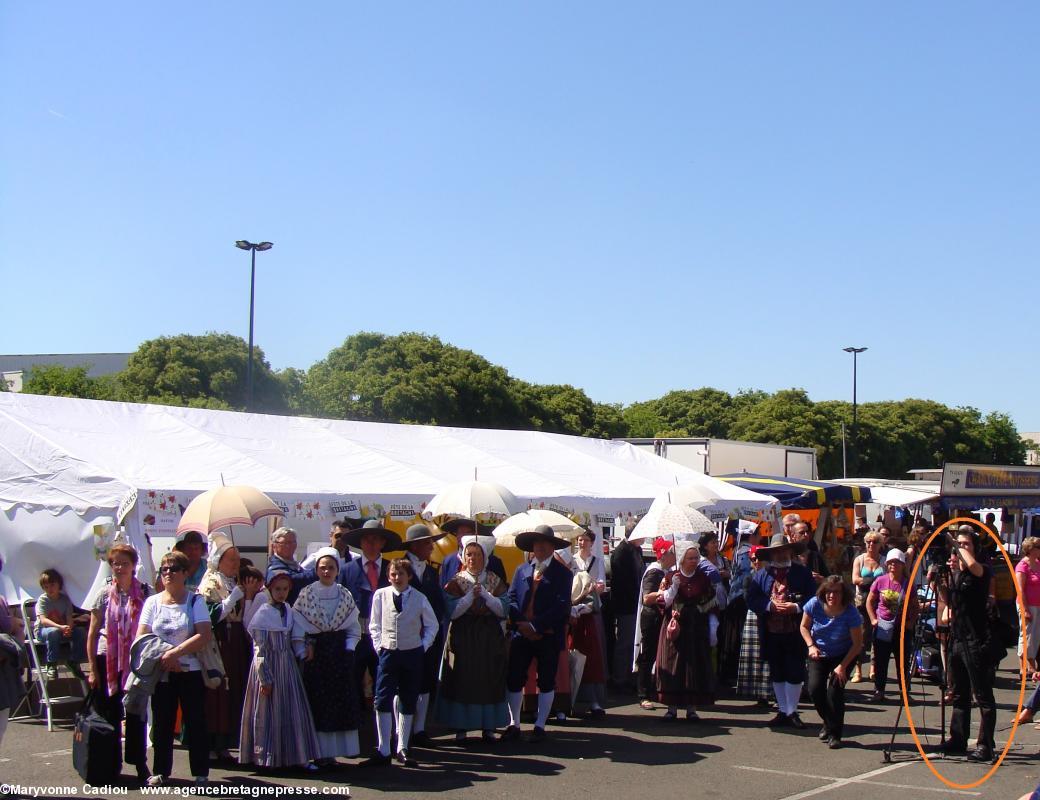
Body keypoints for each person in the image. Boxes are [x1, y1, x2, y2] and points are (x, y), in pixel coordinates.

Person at [137, 551, 213, 788]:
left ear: (184, 573)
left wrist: (176, 654)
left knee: (195, 721)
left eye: (173, 569)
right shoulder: (152, 602)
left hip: (190, 671)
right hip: (162, 671)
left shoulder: (195, 601)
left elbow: (204, 634)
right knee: (162, 722)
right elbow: (142, 636)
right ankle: (161, 771)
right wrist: (165, 657)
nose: (168, 574)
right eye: (164, 569)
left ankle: (201, 773)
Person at [86, 543, 153, 783]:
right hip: (109, 659)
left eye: (125, 563)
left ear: (134, 566)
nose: (120, 567)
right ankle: (109, 765)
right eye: (116, 563)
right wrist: (92, 668)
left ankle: (139, 764)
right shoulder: (104, 594)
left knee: (136, 713)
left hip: (135, 661)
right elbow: (93, 633)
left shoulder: (145, 592)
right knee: (109, 713)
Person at [240, 571, 321, 771]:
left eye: (285, 589)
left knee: (292, 709)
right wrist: (264, 677)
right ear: (269, 589)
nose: (282, 593)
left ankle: (298, 756)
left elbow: (299, 632)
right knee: (269, 711)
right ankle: (268, 756)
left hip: (287, 664)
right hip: (269, 664)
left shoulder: (288, 609)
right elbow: (259, 648)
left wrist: (307, 646)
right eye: (278, 589)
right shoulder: (263, 613)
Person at [502, 525, 573, 743]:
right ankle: (514, 723)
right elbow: (511, 598)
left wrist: (536, 626)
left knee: (547, 679)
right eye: (536, 543)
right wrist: (521, 623)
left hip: (547, 635)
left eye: (545, 543)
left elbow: (562, 606)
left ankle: (541, 724)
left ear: (552, 547)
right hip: (521, 634)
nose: (540, 547)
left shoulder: (563, 574)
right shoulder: (522, 570)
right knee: (514, 677)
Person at [364, 558, 438, 768]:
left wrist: (422, 646)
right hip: (388, 652)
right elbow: (374, 624)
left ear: (410, 577)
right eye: (393, 574)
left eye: (401, 574)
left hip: (412, 652)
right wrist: (379, 646)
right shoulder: (381, 595)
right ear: (388, 576)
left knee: (408, 697)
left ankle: (402, 747)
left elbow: (432, 625)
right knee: (382, 698)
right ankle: (383, 748)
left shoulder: (419, 597)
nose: (397, 578)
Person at [436, 535, 510, 742]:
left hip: (488, 638)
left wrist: (485, 595)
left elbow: (502, 609)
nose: (473, 558)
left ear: (485, 557)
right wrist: (469, 597)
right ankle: (461, 727)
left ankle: (488, 726)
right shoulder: (456, 582)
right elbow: (453, 612)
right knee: (462, 679)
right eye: (469, 554)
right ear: (463, 556)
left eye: (477, 554)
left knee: (488, 678)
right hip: (463, 636)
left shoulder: (494, 580)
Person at [293, 547, 362, 765]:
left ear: (337, 570)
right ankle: (319, 752)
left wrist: (349, 648)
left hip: (339, 655)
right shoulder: (306, 594)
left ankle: (336, 752)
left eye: (330, 567)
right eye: (322, 568)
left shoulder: (344, 594)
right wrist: (303, 652)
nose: (326, 572)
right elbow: (297, 629)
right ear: (316, 570)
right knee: (318, 704)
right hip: (317, 656)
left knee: (340, 703)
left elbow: (353, 627)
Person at [938, 525, 999, 762]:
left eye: (965, 544)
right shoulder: (955, 575)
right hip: (957, 638)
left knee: (982, 695)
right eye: (957, 545)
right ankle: (958, 738)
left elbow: (974, 567)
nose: (959, 549)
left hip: (976, 640)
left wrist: (959, 548)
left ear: (975, 548)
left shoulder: (981, 570)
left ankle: (985, 744)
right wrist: (942, 581)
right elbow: (948, 607)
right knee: (959, 693)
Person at [198, 534, 259, 762]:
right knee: (217, 692)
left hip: (235, 642)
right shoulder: (211, 582)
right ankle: (212, 743)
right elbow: (211, 616)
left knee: (233, 691)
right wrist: (232, 599)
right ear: (218, 560)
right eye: (231, 559)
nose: (235, 564)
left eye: (237, 559)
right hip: (219, 642)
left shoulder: (234, 581)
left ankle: (226, 742)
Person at [747, 533, 817, 729]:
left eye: (784, 551)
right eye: (776, 552)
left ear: (790, 552)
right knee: (777, 671)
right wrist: (769, 606)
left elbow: (813, 598)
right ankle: (783, 711)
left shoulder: (802, 573)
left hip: (795, 630)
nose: (780, 555)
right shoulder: (762, 574)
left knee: (794, 671)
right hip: (770, 631)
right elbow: (752, 599)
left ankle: (792, 711)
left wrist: (795, 607)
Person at [656, 540, 724, 720]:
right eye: (690, 558)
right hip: (675, 627)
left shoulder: (703, 578)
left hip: (696, 627)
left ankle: (691, 708)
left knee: (694, 666)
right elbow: (663, 602)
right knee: (673, 664)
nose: (694, 561)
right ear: (683, 559)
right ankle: (671, 708)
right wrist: (674, 587)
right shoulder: (671, 577)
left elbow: (711, 602)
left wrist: (712, 626)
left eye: (696, 558)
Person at [340, 520, 403, 716]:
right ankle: (356, 719)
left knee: (384, 677)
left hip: (386, 633)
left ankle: (384, 721)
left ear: (383, 543)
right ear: (361, 542)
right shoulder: (347, 569)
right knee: (352, 676)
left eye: (376, 540)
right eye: (367, 540)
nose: (371, 544)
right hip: (356, 632)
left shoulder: (392, 569)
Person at [801, 575, 863, 749]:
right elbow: (804, 627)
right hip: (819, 652)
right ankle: (828, 723)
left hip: (844, 654)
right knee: (814, 689)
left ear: (843, 594)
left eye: (836, 592)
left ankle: (835, 734)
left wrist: (842, 667)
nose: (832, 596)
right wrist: (811, 646)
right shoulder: (814, 604)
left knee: (835, 692)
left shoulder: (850, 612)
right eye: (829, 592)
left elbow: (858, 644)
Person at [400, 523, 448, 746]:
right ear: (416, 545)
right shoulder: (398, 568)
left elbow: (438, 604)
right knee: (403, 683)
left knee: (426, 681)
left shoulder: (430, 571)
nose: (431, 547)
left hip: (428, 638)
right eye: (428, 543)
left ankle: (419, 729)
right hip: (404, 637)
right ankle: (402, 731)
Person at [866, 548, 920, 703]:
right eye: (890, 563)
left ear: (903, 564)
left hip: (902, 628)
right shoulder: (880, 581)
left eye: (897, 563)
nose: (893, 566)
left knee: (902, 661)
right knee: (881, 660)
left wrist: (910, 623)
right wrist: (873, 619)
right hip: (883, 626)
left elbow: (915, 606)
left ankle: (904, 692)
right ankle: (879, 690)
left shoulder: (908, 584)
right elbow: (870, 601)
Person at [635, 538, 674, 710]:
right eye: (671, 552)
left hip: (660, 617)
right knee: (648, 655)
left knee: (659, 655)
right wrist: (663, 591)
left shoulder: (667, 571)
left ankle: (656, 689)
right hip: (651, 618)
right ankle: (643, 694)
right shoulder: (654, 571)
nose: (674, 555)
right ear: (664, 555)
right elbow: (647, 598)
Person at [609, 524, 645, 692]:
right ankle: (619, 678)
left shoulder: (637, 551)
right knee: (625, 642)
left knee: (634, 642)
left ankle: (630, 675)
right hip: (626, 605)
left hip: (636, 604)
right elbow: (621, 584)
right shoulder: (621, 552)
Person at [35, 568, 89, 680]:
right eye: (46, 587)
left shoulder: (65, 599)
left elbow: (69, 616)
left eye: (52, 585)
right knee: (53, 632)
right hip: (43, 630)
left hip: (62, 628)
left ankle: (74, 661)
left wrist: (69, 627)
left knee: (80, 632)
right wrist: (60, 627)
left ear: (59, 584)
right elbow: (43, 620)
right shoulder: (43, 600)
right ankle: (52, 664)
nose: (49, 589)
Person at [736, 546, 773, 707]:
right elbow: (747, 598)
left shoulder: (773, 576)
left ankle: (774, 694)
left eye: (759, 558)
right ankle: (760, 696)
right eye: (753, 559)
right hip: (754, 616)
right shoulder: (748, 578)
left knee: (771, 657)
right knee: (755, 658)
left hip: (772, 617)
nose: (756, 562)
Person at [569, 570, 608, 717]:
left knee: (591, 665)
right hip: (577, 628)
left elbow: (593, 606)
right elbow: (572, 602)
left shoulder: (580, 576)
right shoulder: (572, 578)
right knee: (577, 665)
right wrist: (584, 594)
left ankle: (592, 701)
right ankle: (574, 701)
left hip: (586, 628)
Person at [851, 531, 884, 683]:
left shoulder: (884, 561)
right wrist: (875, 582)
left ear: (880, 544)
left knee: (878, 638)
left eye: (875, 542)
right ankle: (858, 670)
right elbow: (855, 579)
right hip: (862, 603)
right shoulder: (859, 559)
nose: (871, 544)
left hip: (880, 603)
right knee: (861, 637)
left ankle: (873, 668)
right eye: (869, 542)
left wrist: (867, 582)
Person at [698, 531, 730, 672]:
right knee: (710, 632)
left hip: (721, 597)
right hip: (707, 600)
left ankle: (719, 668)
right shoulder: (700, 561)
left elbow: (731, 573)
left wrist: (726, 574)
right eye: (713, 542)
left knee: (721, 632)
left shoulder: (722, 559)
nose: (716, 544)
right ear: (705, 546)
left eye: (716, 541)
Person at [440, 518, 508, 584]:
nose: (461, 536)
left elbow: (501, 591)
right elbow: (442, 589)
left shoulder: (493, 562)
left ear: (475, 534)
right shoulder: (449, 561)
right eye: (458, 533)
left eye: (465, 533)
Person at [266, 527, 313, 605]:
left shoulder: (295, 565)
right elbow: (292, 579)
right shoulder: (275, 567)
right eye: (285, 543)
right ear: (274, 546)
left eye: (293, 542)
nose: (290, 546)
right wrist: (316, 572)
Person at [1016, 537, 1040, 673]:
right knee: (1026, 636)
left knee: (1036, 636)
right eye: (1038, 547)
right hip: (1027, 605)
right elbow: (1020, 589)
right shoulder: (1022, 566)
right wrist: (1025, 610)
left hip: (1038, 605)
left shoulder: (1038, 563)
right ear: (1031, 550)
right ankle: (1024, 667)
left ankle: (1030, 665)